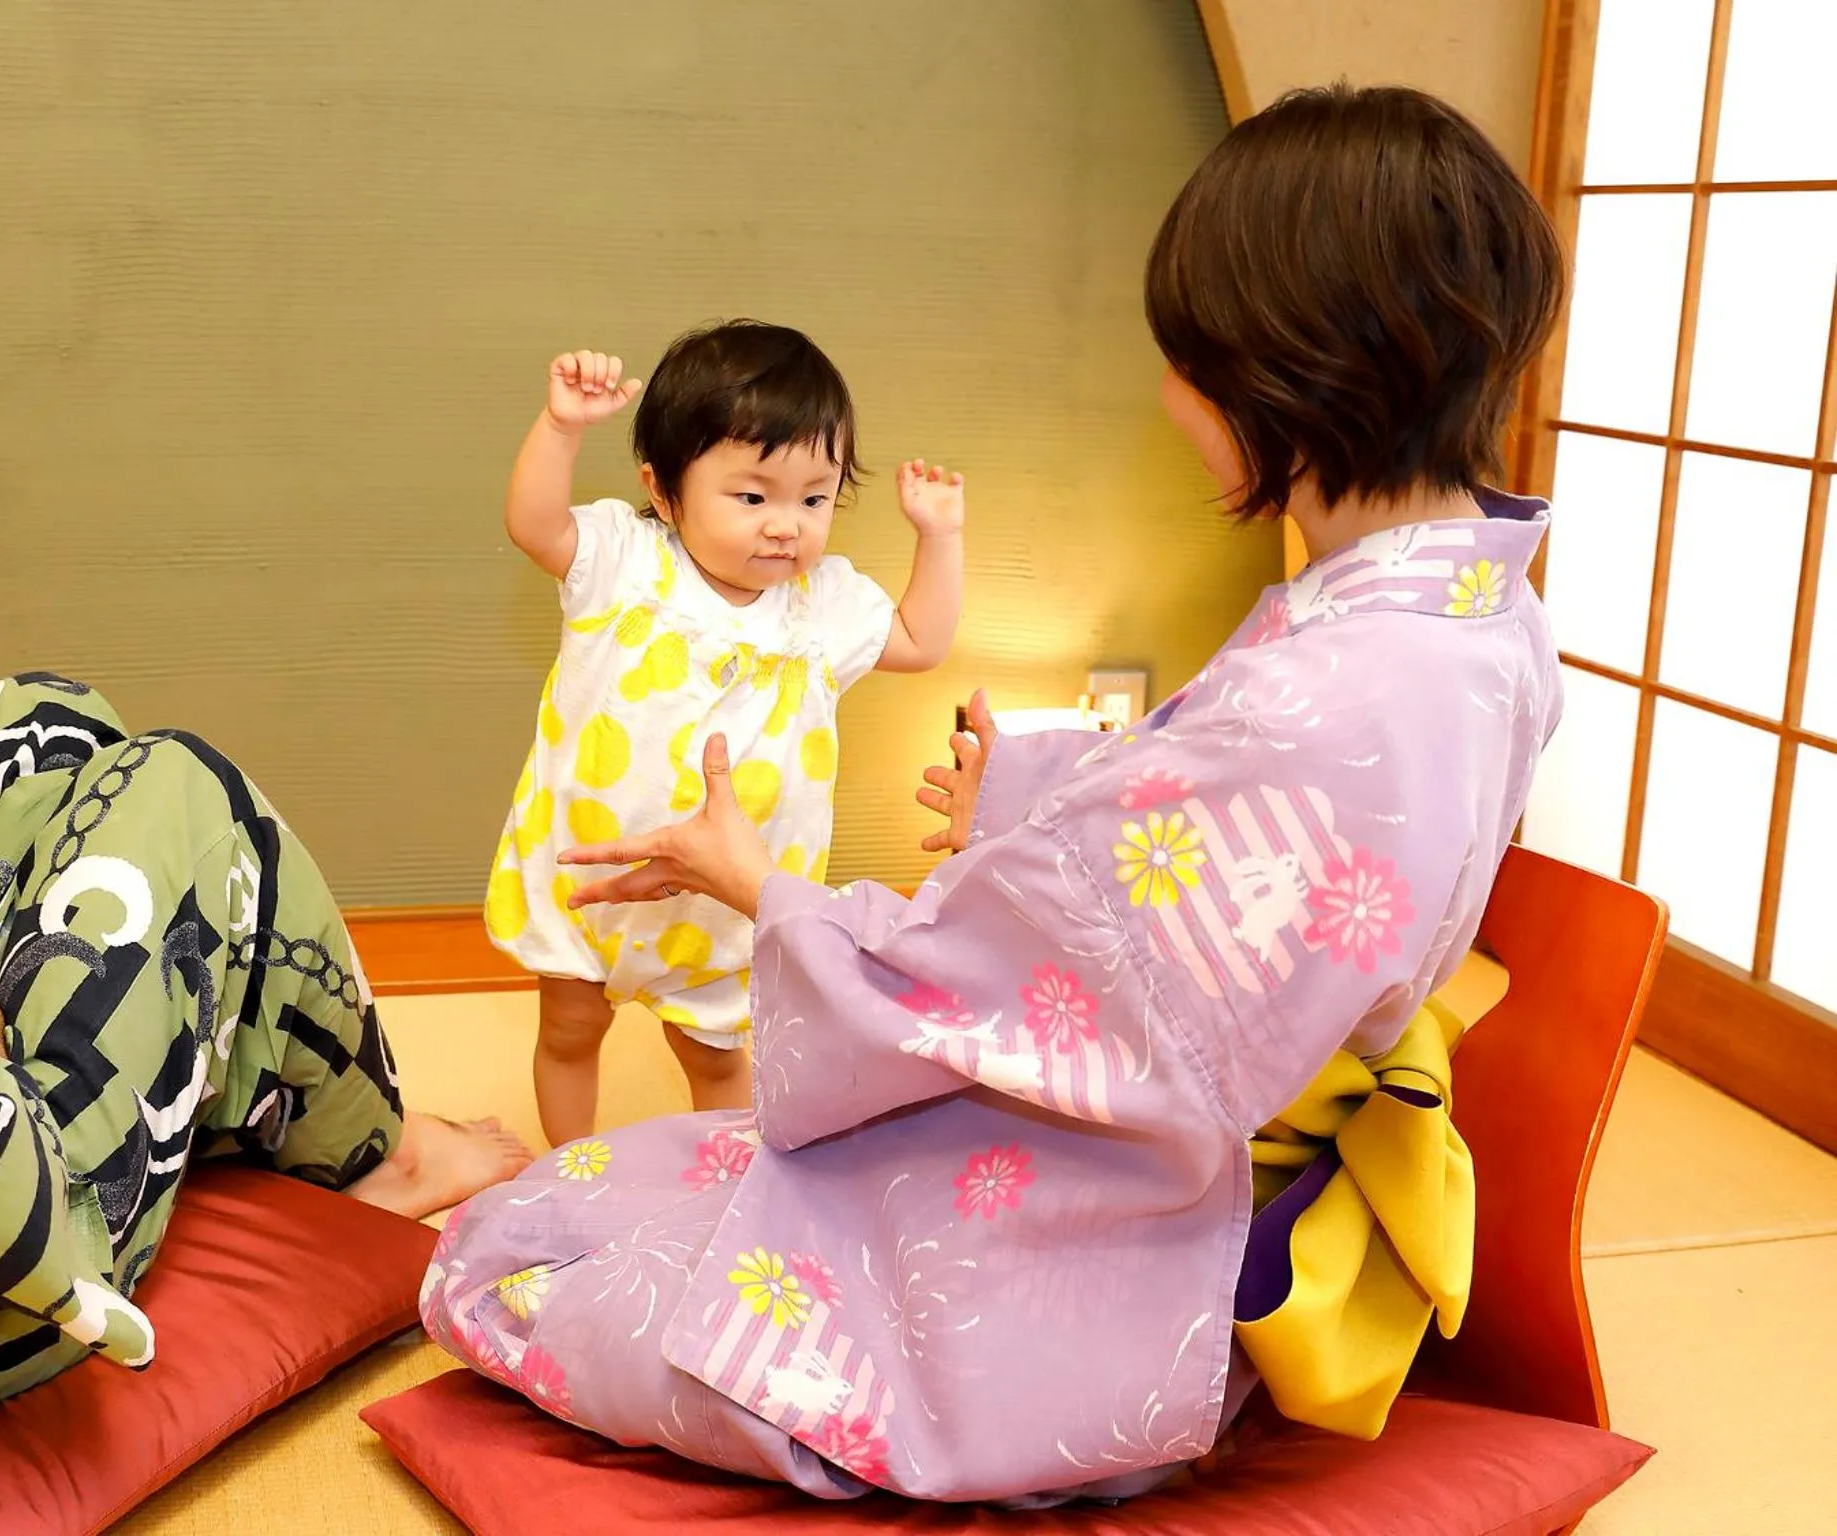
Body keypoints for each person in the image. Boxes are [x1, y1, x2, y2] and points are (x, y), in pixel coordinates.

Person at [421, 82, 1567, 1504]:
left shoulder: (1342, 685)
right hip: (1184, 1143)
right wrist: (1027, 785)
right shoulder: (1470, 620)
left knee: (512, 1264)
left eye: (1186, 360)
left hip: (1137, 1221)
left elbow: (1039, 972)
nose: (1168, 396)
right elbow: (1210, 830)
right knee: (583, 1180)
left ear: (1283, 371)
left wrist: (763, 888)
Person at [0, 675, 532, 1429]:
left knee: (44, 720)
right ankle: (375, 1156)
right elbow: (20, 1212)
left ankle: (173, 1076)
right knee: (185, 791)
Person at [488, 322, 966, 1147]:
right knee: (569, 1033)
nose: (787, 525)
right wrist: (562, 427)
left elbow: (921, 643)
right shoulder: (626, 562)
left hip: (721, 905)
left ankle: (715, 1191)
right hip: (590, 872)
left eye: (814, 499)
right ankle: (568, 1171)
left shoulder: (826, 605)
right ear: (665, 491)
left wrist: (941, 536)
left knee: (715, 1060)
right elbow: (535, 526)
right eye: (753, 497)